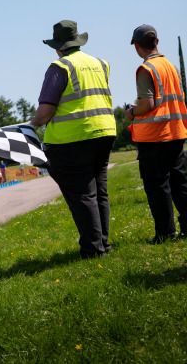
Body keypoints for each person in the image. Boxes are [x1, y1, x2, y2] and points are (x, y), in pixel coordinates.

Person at [30, 20, 116, 260]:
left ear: (58, 47)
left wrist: (33, 123)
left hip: (73, 138)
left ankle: (93, 250)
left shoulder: (59, 67)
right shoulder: (101, 63)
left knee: (83, 195)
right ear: (77, 42)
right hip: (105, 131)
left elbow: (45, 111)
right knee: (99, 192)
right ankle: (103, 244)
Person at [125, 24, 187, 244]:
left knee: (157, 185)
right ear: (157, 42)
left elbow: (148, 104)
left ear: (137, 46)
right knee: (180, 182)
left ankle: (165, 232)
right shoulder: (172, 67)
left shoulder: (146, 69)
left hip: (154, 136)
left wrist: (132, 112)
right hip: (177, 131)